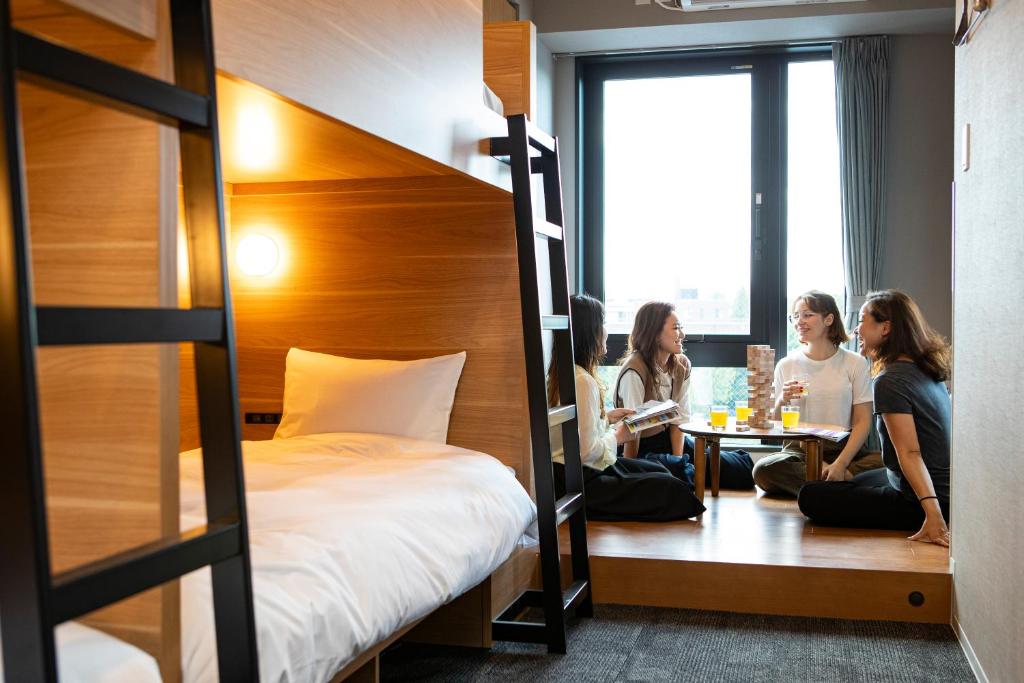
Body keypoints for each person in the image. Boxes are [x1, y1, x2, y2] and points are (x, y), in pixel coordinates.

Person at [798, 290, 952, 546]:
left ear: (885, 328)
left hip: (919, 500)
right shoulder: (924, 370)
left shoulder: (890, 381)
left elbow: (911, 453)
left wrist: (933, 516)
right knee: (851, 480)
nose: (856, 329)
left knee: (810, 496)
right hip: (941, 491)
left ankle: (932, 514)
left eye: (863, 320)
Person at [548, 294, 705, 522]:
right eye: (603, 324)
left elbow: (575, 436)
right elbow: (586, 452)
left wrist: (607, 419)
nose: (607, 332)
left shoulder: (569, 374)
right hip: (582, 480)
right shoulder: (582, 381)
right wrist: (619, 436)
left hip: (578, 472)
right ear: (589, 331)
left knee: (663, 472)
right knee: (671, 488)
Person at [614, 301, 754, 489]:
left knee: (742, 470)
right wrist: (629, 471)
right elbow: (633, 430)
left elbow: (679, 420)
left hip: (673, 442)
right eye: (676, 328)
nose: (682, 334)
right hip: (641, 448)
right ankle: (682, 473)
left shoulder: (681, 365)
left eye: (681, 327)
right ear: (654, 333)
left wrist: (677, 459)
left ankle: (683, 471)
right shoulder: (634, 370)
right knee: (681, 477)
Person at [752, 291, 880, 496]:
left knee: (888, 463)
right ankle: (838, 487)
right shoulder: (787, 365)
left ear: (829, 319)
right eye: (796, 316)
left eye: (807, 315)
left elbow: (863, 421)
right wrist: (781, 400)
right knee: (764, 470)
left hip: (844, 447)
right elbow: (773, 423)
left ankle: (823, 487)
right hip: (800, 448)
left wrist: (841, 464)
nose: (799, 322)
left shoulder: (855, 363)